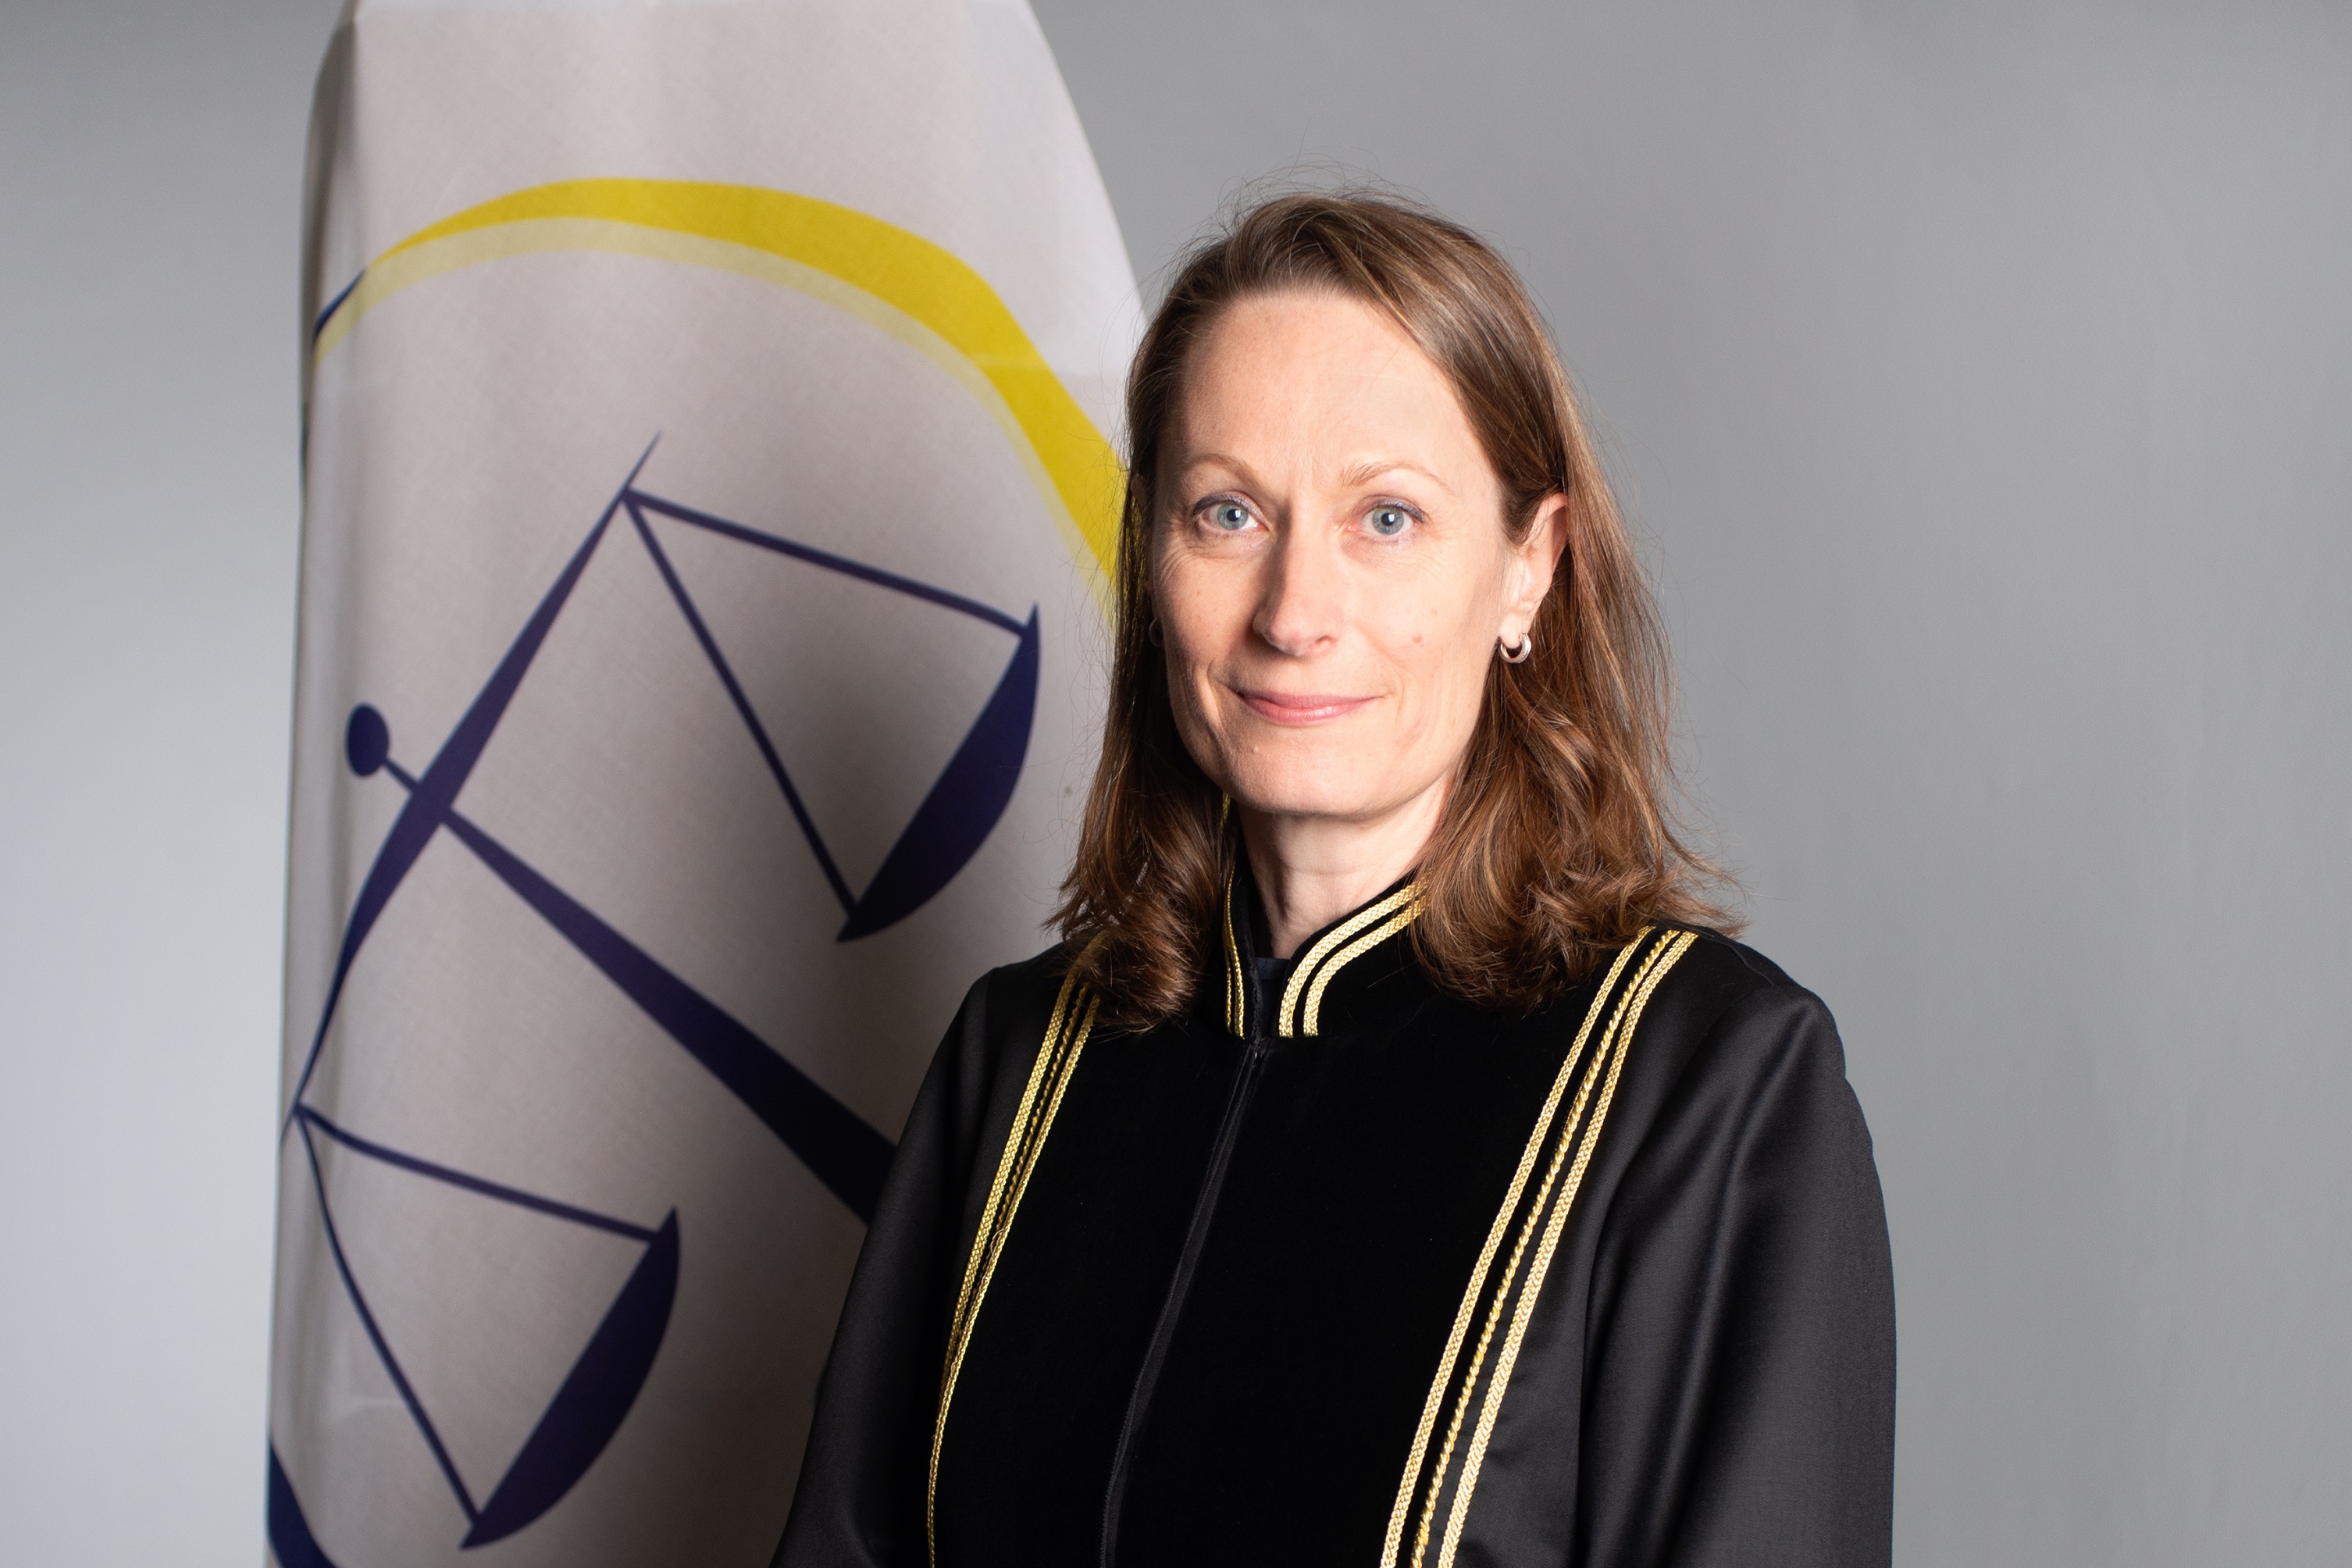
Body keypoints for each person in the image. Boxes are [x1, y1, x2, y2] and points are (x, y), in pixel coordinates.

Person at [775, 191, 1894, 1568]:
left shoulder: (1708, 1087)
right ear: (1153, 554)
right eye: (1229, 512)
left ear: (1529, 569)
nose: (1296, 612)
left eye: (1388, 518)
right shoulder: (1019, 1060)